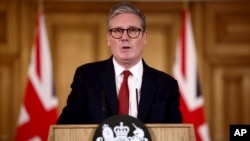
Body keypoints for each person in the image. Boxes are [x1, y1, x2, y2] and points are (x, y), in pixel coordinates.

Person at [57, 2, 182, 124]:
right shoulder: (87, 77)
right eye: (117, 31)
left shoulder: (166, 86)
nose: (125, 37)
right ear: (108, 38)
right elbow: (65, 128)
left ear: (145, 37)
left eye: (132, 30)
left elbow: (176, 135)